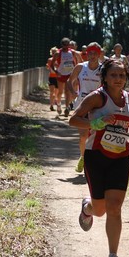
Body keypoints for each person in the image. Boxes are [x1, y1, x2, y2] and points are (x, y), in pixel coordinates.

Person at [68, 59, 129, 257]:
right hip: (97, 156)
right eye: (113, 75)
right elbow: (73, 120)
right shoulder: (97, 97)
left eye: (121, 75)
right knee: (99, 210)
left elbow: (120, 123)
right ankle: (87, 207)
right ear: (105, 77)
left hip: (120, 157)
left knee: (115, 207)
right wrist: (95, 124)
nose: (118, 79)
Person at [66, 42, 103, 173]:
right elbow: (69, 81)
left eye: (95, 53)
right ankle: (83, 157)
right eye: (90, 53)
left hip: (97, 106)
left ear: (99, 54)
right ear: (87, 54)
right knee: (83, 136)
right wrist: (73, 92)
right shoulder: (80, 67)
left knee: (96, 135)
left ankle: (94, 161)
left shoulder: (103, 69)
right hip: (81, 105)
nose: (92, 56)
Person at [50, 37, 79, 116]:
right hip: (61, 74)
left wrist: (75, 72)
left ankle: (67, 108)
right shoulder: (58, 53)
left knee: (67, 91)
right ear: (62, 45)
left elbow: (75, 63)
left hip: (69, 74)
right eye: (64, 45)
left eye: (67, 45)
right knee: (60, 92)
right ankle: (59, 104)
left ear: (69, 45)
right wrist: (56, 72)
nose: (66, 47)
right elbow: (51, 64)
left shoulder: (72, 52)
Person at [46, 46, 59, 110]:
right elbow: (48, 67)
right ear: (51, 53)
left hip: (58, 78)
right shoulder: (50, 60)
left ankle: (55, 101)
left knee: (56, 93)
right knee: (52, 92)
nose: (54, 53)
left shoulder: (59, 60)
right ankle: (51, 105)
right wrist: (48, 66)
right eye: (53, 52)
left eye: (55, 52)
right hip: (51, 77)